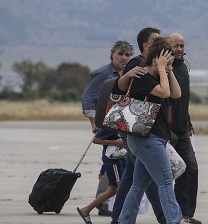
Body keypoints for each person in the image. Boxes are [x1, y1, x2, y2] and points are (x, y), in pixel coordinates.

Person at [115, 37, 190, 224]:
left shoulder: (158, 76)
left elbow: (176, 94)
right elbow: (165, 93)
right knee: (165, 182)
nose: (169, 65)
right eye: (167, 61)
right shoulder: (143, 76)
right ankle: (175, 220)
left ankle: (124, 221)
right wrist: (162, 69)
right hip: (147, 139)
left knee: (138, 185)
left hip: (152, 139)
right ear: (156, 59)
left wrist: (168, 70)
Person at [110, 27, 166, 224]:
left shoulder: (150, 64)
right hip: (137, 128)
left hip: (144, 128)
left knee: (134, 179)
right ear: (146, 45)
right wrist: (129, 74)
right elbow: (120, 87)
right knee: (149, 180)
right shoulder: (137, 63)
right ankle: (166, 217)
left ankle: (119, 219)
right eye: (157, 42)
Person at [81, 40, 133, 216]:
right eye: (120, 54)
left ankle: (108, 203)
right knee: (111, 162)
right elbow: (88, 97)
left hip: (122, 125)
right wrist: (94, 123)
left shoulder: (129, 73)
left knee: (116, 165)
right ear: (112, 55)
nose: (124, 58)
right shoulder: (103, 74)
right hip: (107, 126)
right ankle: (103, 204)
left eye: (127, 55)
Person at [168, 33, 201, 224]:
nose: (180, 49)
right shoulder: (164, 68)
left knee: (190, 167)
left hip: (182, 129)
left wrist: (187, 122)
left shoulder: (182, 68)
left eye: (182, 46)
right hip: (167, 130)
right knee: (161, 175)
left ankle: (185, 214)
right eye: (176, 46)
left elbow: (183, 100)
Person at [77, 130, 126, 224]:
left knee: (112, 190)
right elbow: (96, 139)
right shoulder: (111, 125)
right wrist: (115, 142)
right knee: (121, 188)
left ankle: (86, 210)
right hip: (113, 161)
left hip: (120, 159)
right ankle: (120, 217)